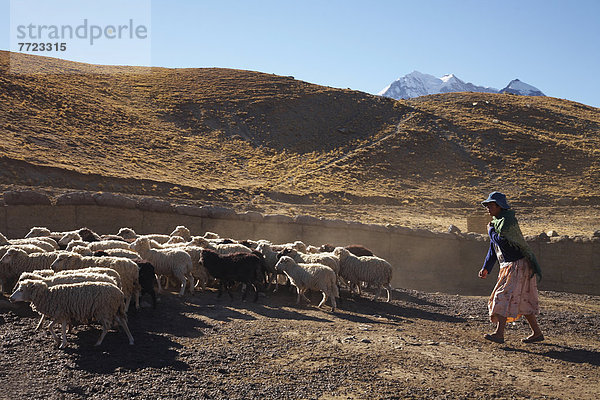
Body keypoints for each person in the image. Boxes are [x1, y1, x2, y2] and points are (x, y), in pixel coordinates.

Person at [478, 191, 543, 344]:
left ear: (499, 206)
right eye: (487, 206)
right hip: (511, 266)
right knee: (522, 300)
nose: (488, 208)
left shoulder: (507, 222)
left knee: (503, 296)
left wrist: (490, 231)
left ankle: (499, 334)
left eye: (491, 205)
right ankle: (537, 333)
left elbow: (503, 243)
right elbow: (493, 248)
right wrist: (486, 267)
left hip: (517, 266)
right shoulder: (496, 223)